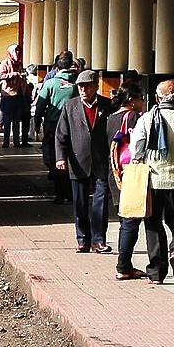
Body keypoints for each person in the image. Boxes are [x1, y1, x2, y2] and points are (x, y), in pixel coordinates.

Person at [131, 79, 174, 284]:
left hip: (153, 181)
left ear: (156, 98)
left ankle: (156, 271)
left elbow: (136, 148)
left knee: (153, 225)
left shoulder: (146, 119)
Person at [55, 70, 114, 254]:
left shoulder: (107, 105)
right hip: (78, 161)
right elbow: (61, 134)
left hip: (101, 161)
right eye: (80, 87)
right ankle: (83, 239)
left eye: (87, 86)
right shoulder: (70, 106)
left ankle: (99, 240)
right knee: (79, 203)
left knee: (101, 201)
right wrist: (60, 157)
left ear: (96, 86)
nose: (83, 90)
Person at [108, 85, 148, 279]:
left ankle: (125, 264)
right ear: (132, 100)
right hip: (130, 173)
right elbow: (137, 145)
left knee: (125, 220)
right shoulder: (132, 117)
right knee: (130, 222)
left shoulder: (111, 117)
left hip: (115, 173)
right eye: (140, 98)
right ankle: (123, 267)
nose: (142, 101)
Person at [35, 52, 79, 203]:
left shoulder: (50, 83)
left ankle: (60, 194)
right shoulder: (77, 83)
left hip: (53, 126)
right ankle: (71, 192)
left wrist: (36, 122)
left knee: (57, 158)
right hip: (74, 126)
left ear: (57, 66)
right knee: (72, 158)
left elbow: (40, 106)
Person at [0, 44, 28, 148]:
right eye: (16, 52)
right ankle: (5, 141)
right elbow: (1, 76)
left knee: (17, 119)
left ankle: (16, 141)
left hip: (19, 94)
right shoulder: (5, 63)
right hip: (8, 94)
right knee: (7, 119)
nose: (18, 54)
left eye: (19, 53)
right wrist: (14, 74)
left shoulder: (19, 64)